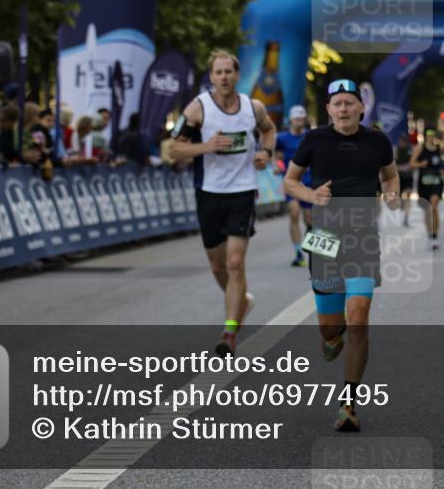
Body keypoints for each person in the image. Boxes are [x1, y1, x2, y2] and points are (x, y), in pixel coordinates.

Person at [283, 79, 400, 433]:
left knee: (360, 318)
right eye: (338, 104)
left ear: (361, 108)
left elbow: (391, 176)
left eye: (350, 103)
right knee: (332, 328)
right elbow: (289, 181)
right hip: (324, 238)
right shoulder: (314, 140)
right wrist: (310, 194)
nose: (344, 109)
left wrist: (392, 194)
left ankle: (349, 403)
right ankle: (332, 338)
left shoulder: (377, 140)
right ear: (329, 110)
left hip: (363, 238)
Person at [167, 49, 276, 358]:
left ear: (237, 75)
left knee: (234, 262)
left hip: (242, 192)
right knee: (217, 265)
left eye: (229, 72)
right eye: (218, 72)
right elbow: (174, 149)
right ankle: (243, 302)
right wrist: (206, 146)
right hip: (209, 193)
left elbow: (268, 130)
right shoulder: (197, 109)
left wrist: (266, 154)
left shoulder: (252, 108)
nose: (224, 77)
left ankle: (229, 332)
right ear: (211, 76)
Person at [275, 105, 314, 267]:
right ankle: (298, 253)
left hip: (309, 183)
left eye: (301, 119)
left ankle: (311, 235)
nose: (299, 122)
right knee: (294, 214)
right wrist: (280, 167)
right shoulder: (282, 138)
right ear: (290, 120)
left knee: (310, 219)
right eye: (296, 119)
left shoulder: (310, 137)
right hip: (291, 183)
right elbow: (277, 157)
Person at [410, 126, 444, 250]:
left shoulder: (440, 148)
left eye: (433, 133)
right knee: (427, 210)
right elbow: (411, 163)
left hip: (436, 181)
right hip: (423, 182)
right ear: (425, 135)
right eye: (429, 133)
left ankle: (435, 236)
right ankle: (430, 236)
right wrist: (420, 164)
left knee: (434, 206)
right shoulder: (419, 148)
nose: (431, 136)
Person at [394, 133, 415, 227]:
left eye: (404, 140)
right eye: (401, 140)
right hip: (399, 177)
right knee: (400, 197)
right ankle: (402, 204)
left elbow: (414, 163)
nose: (402, 142)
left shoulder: (411, 150)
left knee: (408, 195)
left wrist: (410, 167)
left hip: (408, 176)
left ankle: (406, 218)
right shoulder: (396, 150)